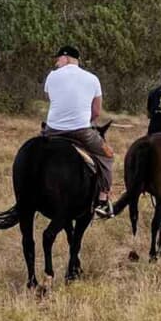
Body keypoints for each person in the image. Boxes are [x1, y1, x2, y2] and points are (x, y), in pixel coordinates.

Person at [43, 45, 116, 219]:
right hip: (81, 131)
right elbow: (97, 112)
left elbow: (50, 99)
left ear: (66, 58)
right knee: (108, 155)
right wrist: (82, 118)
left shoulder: (52, 76)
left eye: (58, 58)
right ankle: (103, 199)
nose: (56, 62)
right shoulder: (92, 79)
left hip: (52, 130)